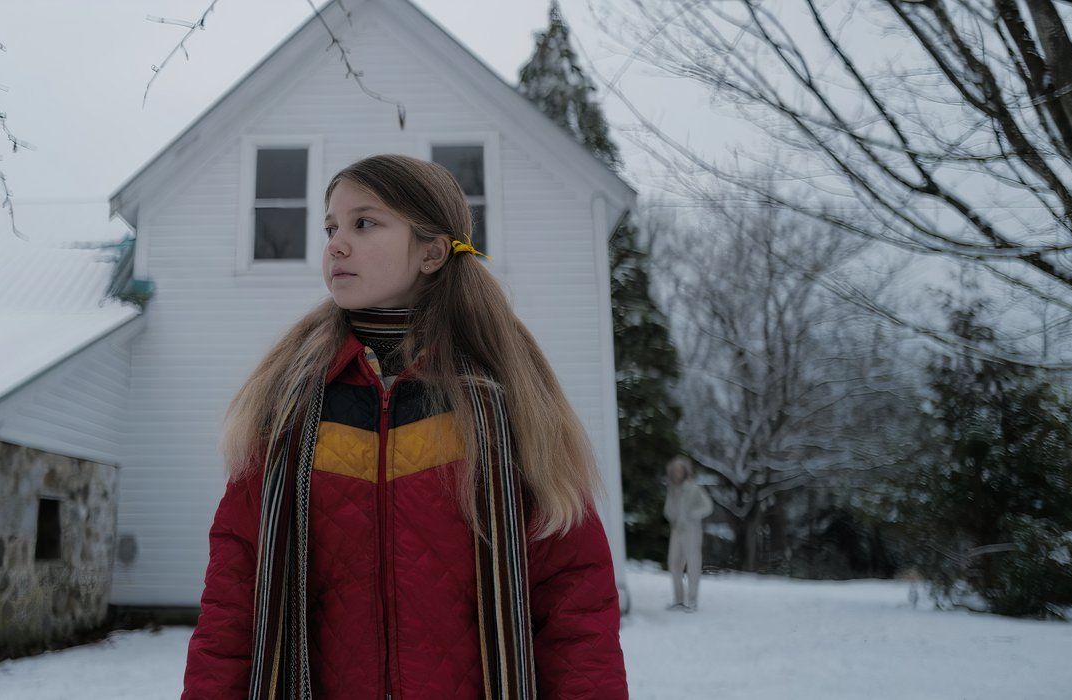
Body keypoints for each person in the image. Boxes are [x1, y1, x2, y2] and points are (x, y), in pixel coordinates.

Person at [180, 154, 629, 699]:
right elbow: (232, 601)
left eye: (363, 223)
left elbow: (575, 602)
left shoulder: (507, 402)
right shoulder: (289, 406)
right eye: (331, 228)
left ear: (433, 252)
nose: (336, 244)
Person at [663, 454, 713, 612]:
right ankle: (679, 599)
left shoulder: (694, 488)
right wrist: (672, 514)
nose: (677, 473)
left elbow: (708, 506)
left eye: (680, 470)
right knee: (674, 563)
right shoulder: (672, 490)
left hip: (691, 531)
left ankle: (692, 600)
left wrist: (692, 515)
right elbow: (668, 511)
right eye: (674, 470)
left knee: (693, 564)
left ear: (685, 472)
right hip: (677, 530)